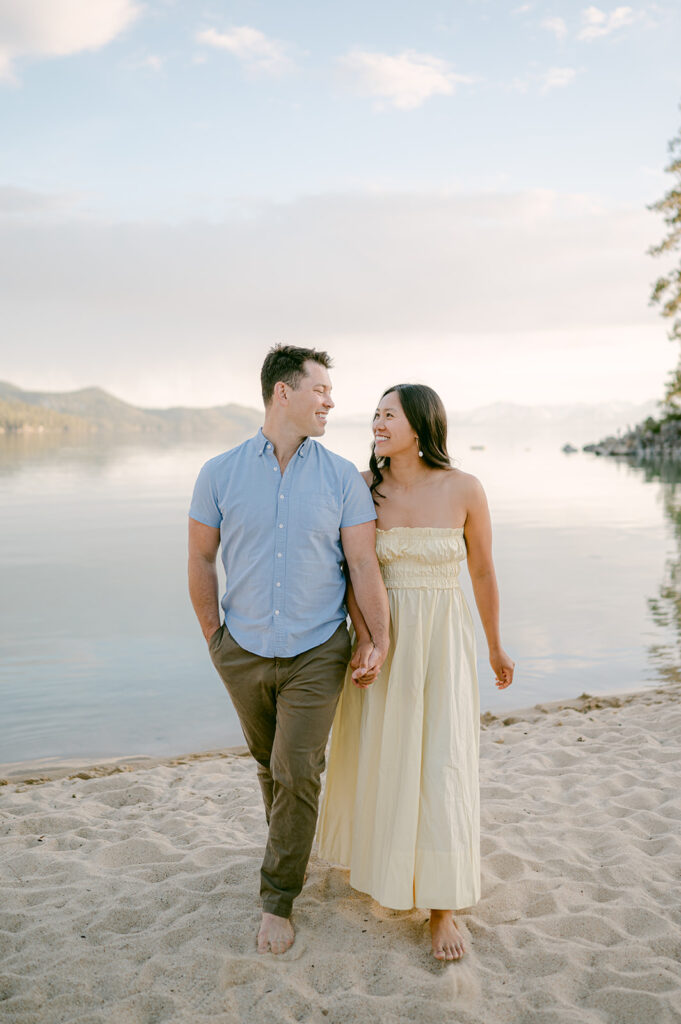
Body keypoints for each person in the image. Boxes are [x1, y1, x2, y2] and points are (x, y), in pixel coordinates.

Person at [188, 345, 390, 955]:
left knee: (298, 769)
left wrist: (379, 638)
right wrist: (214, 640)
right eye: (321, 389)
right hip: (241, 649)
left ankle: (278, 896)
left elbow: (362, 563)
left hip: (318, 649)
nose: (331, 400)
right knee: (269, 764)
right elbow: (200, 559)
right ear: (284, 392)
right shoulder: (218, 472)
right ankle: (294, 844)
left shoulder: (341, 477)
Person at [317, 383, 515, 962]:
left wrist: (495, 647)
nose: (377, 422)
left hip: (444, 642)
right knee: (388, 753)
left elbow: (482, 572)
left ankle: (443, 908)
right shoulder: (362, 490)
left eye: (389, 414)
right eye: (375, 414)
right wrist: (367, 641)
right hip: (386, 640)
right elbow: (351, 570)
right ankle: (385, 864)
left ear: (422, 425)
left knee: (443, 760)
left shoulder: (464, 489)